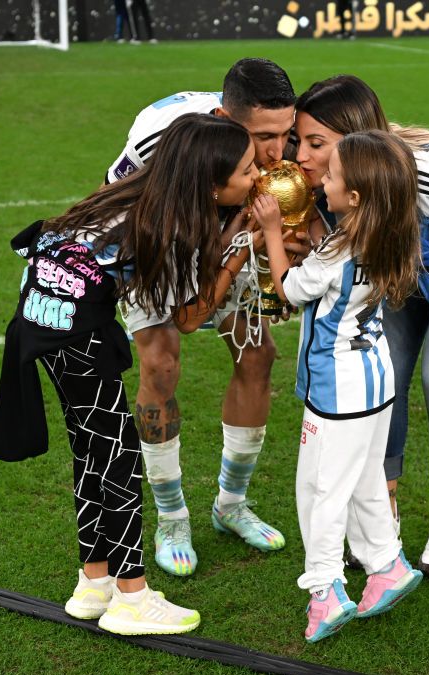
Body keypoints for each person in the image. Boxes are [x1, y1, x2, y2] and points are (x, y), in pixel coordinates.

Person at [0, 113, 261, 635]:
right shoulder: (169, 226)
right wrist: (240, 244)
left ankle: (95, 582)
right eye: (245, 171)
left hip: (39, 317)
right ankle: (132, 597)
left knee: (91, 453)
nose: (256, 177)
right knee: (119, 462)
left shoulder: (139, 191)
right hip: (77, 332)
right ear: (210, 183)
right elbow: (190, 317)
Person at [293, 75, 429, 580]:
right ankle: (383, 508)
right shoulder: (333, 178)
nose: (301, 156)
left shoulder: (428, 175)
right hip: (401, 271)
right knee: (384, 371)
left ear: (353, 139)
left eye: (316, 144)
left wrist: (421, 258)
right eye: (299, 141)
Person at [104, 58, 298, 578]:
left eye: (286, 133)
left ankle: (230, 505)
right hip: (152, 232)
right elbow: (189, 315)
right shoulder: (156, 145)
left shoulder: (276, 143)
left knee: (258, 354)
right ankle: (172, 518)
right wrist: (223, 250)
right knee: (161, 363)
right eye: (263, 137)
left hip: (230, 220)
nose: (279, 151)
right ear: (222, 118)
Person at [251, 130, 423, 643]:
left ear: (356, 197)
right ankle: (386, 564)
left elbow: (291, 289)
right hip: (377, 381)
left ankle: (324, 592)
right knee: (366, 480)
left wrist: (273, 232)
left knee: (319, 491)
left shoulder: (338, 247)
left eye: (330, 177)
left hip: (339, 388)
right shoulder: (393, 232)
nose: (320, 181)